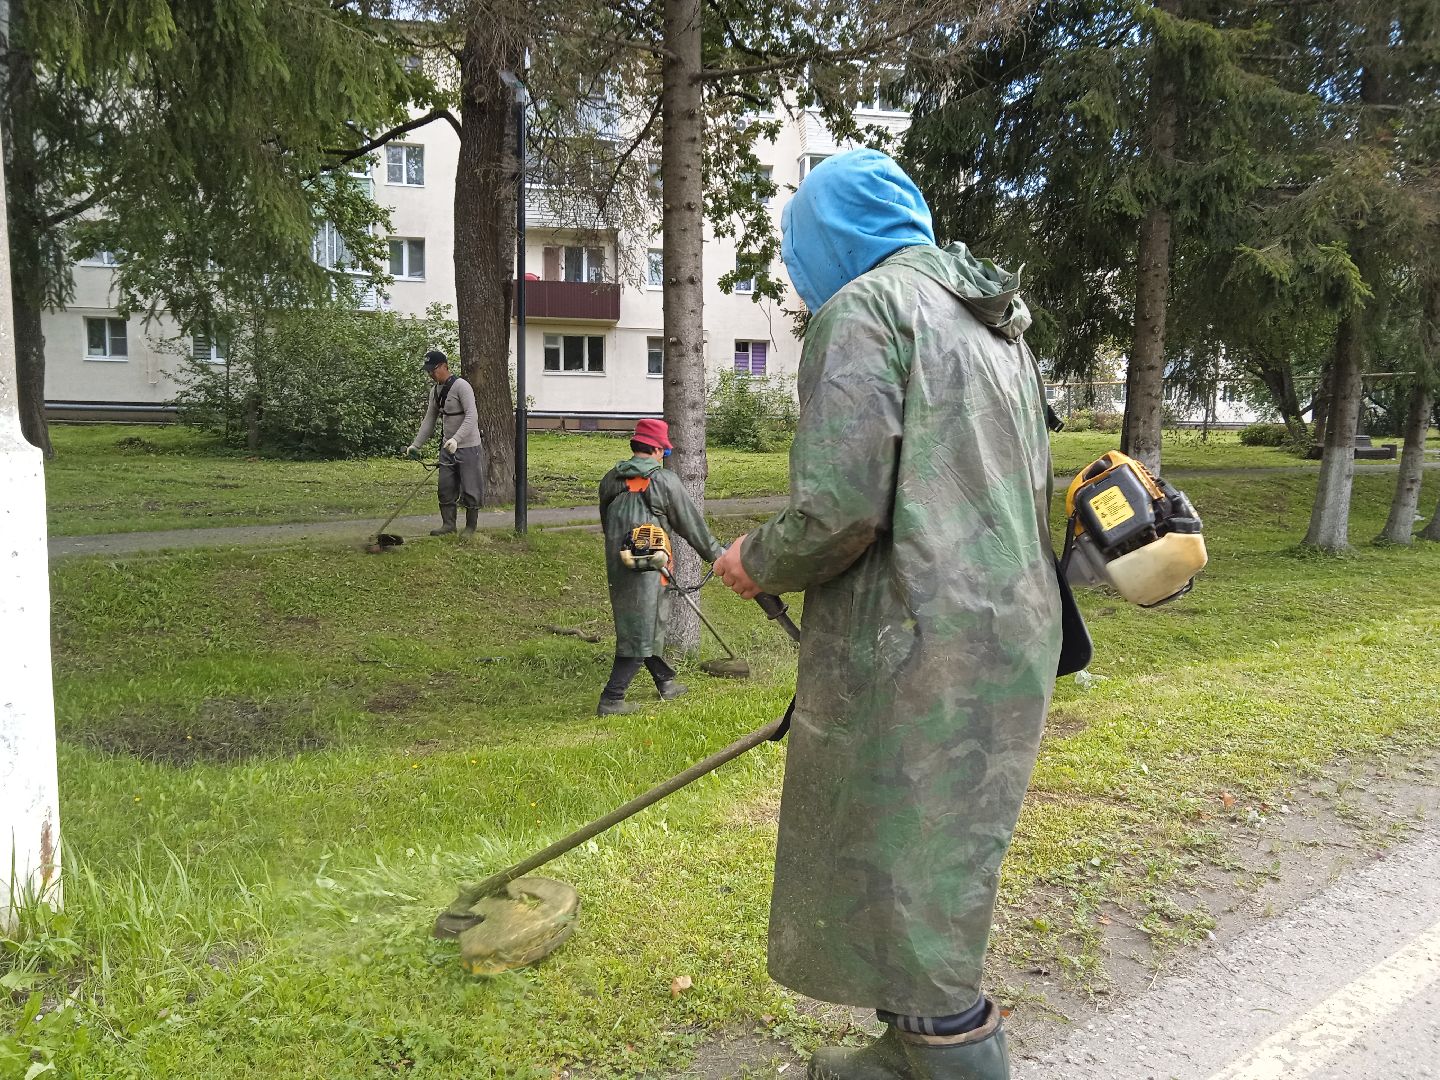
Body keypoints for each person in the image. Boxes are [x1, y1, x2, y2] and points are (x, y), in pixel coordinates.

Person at [713, 149, 1062, 1080]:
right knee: (942, 858)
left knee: (906, 855)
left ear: (833, 239)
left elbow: (839, 507)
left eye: (799, 250)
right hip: (1007, 628)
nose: (795, 273)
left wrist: (755, 559)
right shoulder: (994, 325)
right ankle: (915, 1045)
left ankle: (953, 1058)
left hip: (916, 640)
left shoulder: (865, 311)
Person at [597, 418, 725, 717]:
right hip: (652, 566)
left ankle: (666, 681)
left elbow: (606, 523)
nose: (663, 457)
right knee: (641, 628)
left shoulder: (609, 479)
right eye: (664, 452)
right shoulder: (664, 481)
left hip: (620, 563)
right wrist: (717, 554)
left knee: (647, 623)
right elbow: (691, 525)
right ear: (656, 449)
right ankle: (612, 698)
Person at [406, 350, 484, 536]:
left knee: (471, 489)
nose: (431, 374)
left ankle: (470, 528)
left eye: (433, 370)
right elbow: (429, 420)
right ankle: (448, 525)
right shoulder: (435, 391)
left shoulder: (462, 387)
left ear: (444, 366)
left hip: (468, 446)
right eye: (428, 371)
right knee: (445, 487)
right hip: (448, 448)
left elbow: (472, 415)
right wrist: (416, 445)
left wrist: (456, 439)